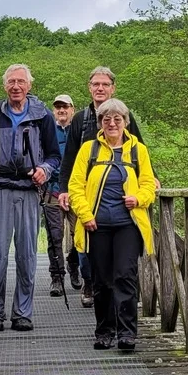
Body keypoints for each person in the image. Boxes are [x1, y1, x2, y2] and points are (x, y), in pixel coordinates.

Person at [0, 64, 61, 332]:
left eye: (21, 81)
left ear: (29, 86)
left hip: (28, 190)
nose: (16, 86)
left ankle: (23, 313)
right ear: (4, 86)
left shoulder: (42, 115)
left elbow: (54, 156)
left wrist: (44, 171)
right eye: (11, 81)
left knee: (27, 255)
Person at [68, 98, 155, 351]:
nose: (112, 123)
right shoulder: (89, 149)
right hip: (96, 225)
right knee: (102, 280)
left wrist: (138, 198)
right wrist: (85, 215)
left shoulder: (138, 151)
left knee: (125, 276)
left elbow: (149, 184)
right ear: (100, 123)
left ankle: (127, 333)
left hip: (128, 224)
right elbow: (75, 186)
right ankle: (104, 331)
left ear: (125, 122)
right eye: (107, 119)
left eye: (117, 119)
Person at [58, 66, 146, 307]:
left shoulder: (124, 115)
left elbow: (139, 149)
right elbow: (70, 155)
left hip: (120, 194)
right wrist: (64, 188)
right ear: (89, 88)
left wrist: (151, 180)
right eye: (96, 84)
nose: (100, 88)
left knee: (122, 247)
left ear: (112, 88)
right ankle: (91, 283)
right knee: (86, 242)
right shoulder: (80, 119)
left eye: (105, 84)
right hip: (86, 192)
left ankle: (122, 291)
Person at [42, 94, 80, 296]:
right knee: (55, 236)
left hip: (77, 190)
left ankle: (74, 263)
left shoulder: (79, 131)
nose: (61, 110)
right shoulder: (47, 131)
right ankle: (57, 277)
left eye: (65, 106)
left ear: (72, 109)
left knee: (80, 234)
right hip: (53, 189)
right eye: (58, 107)